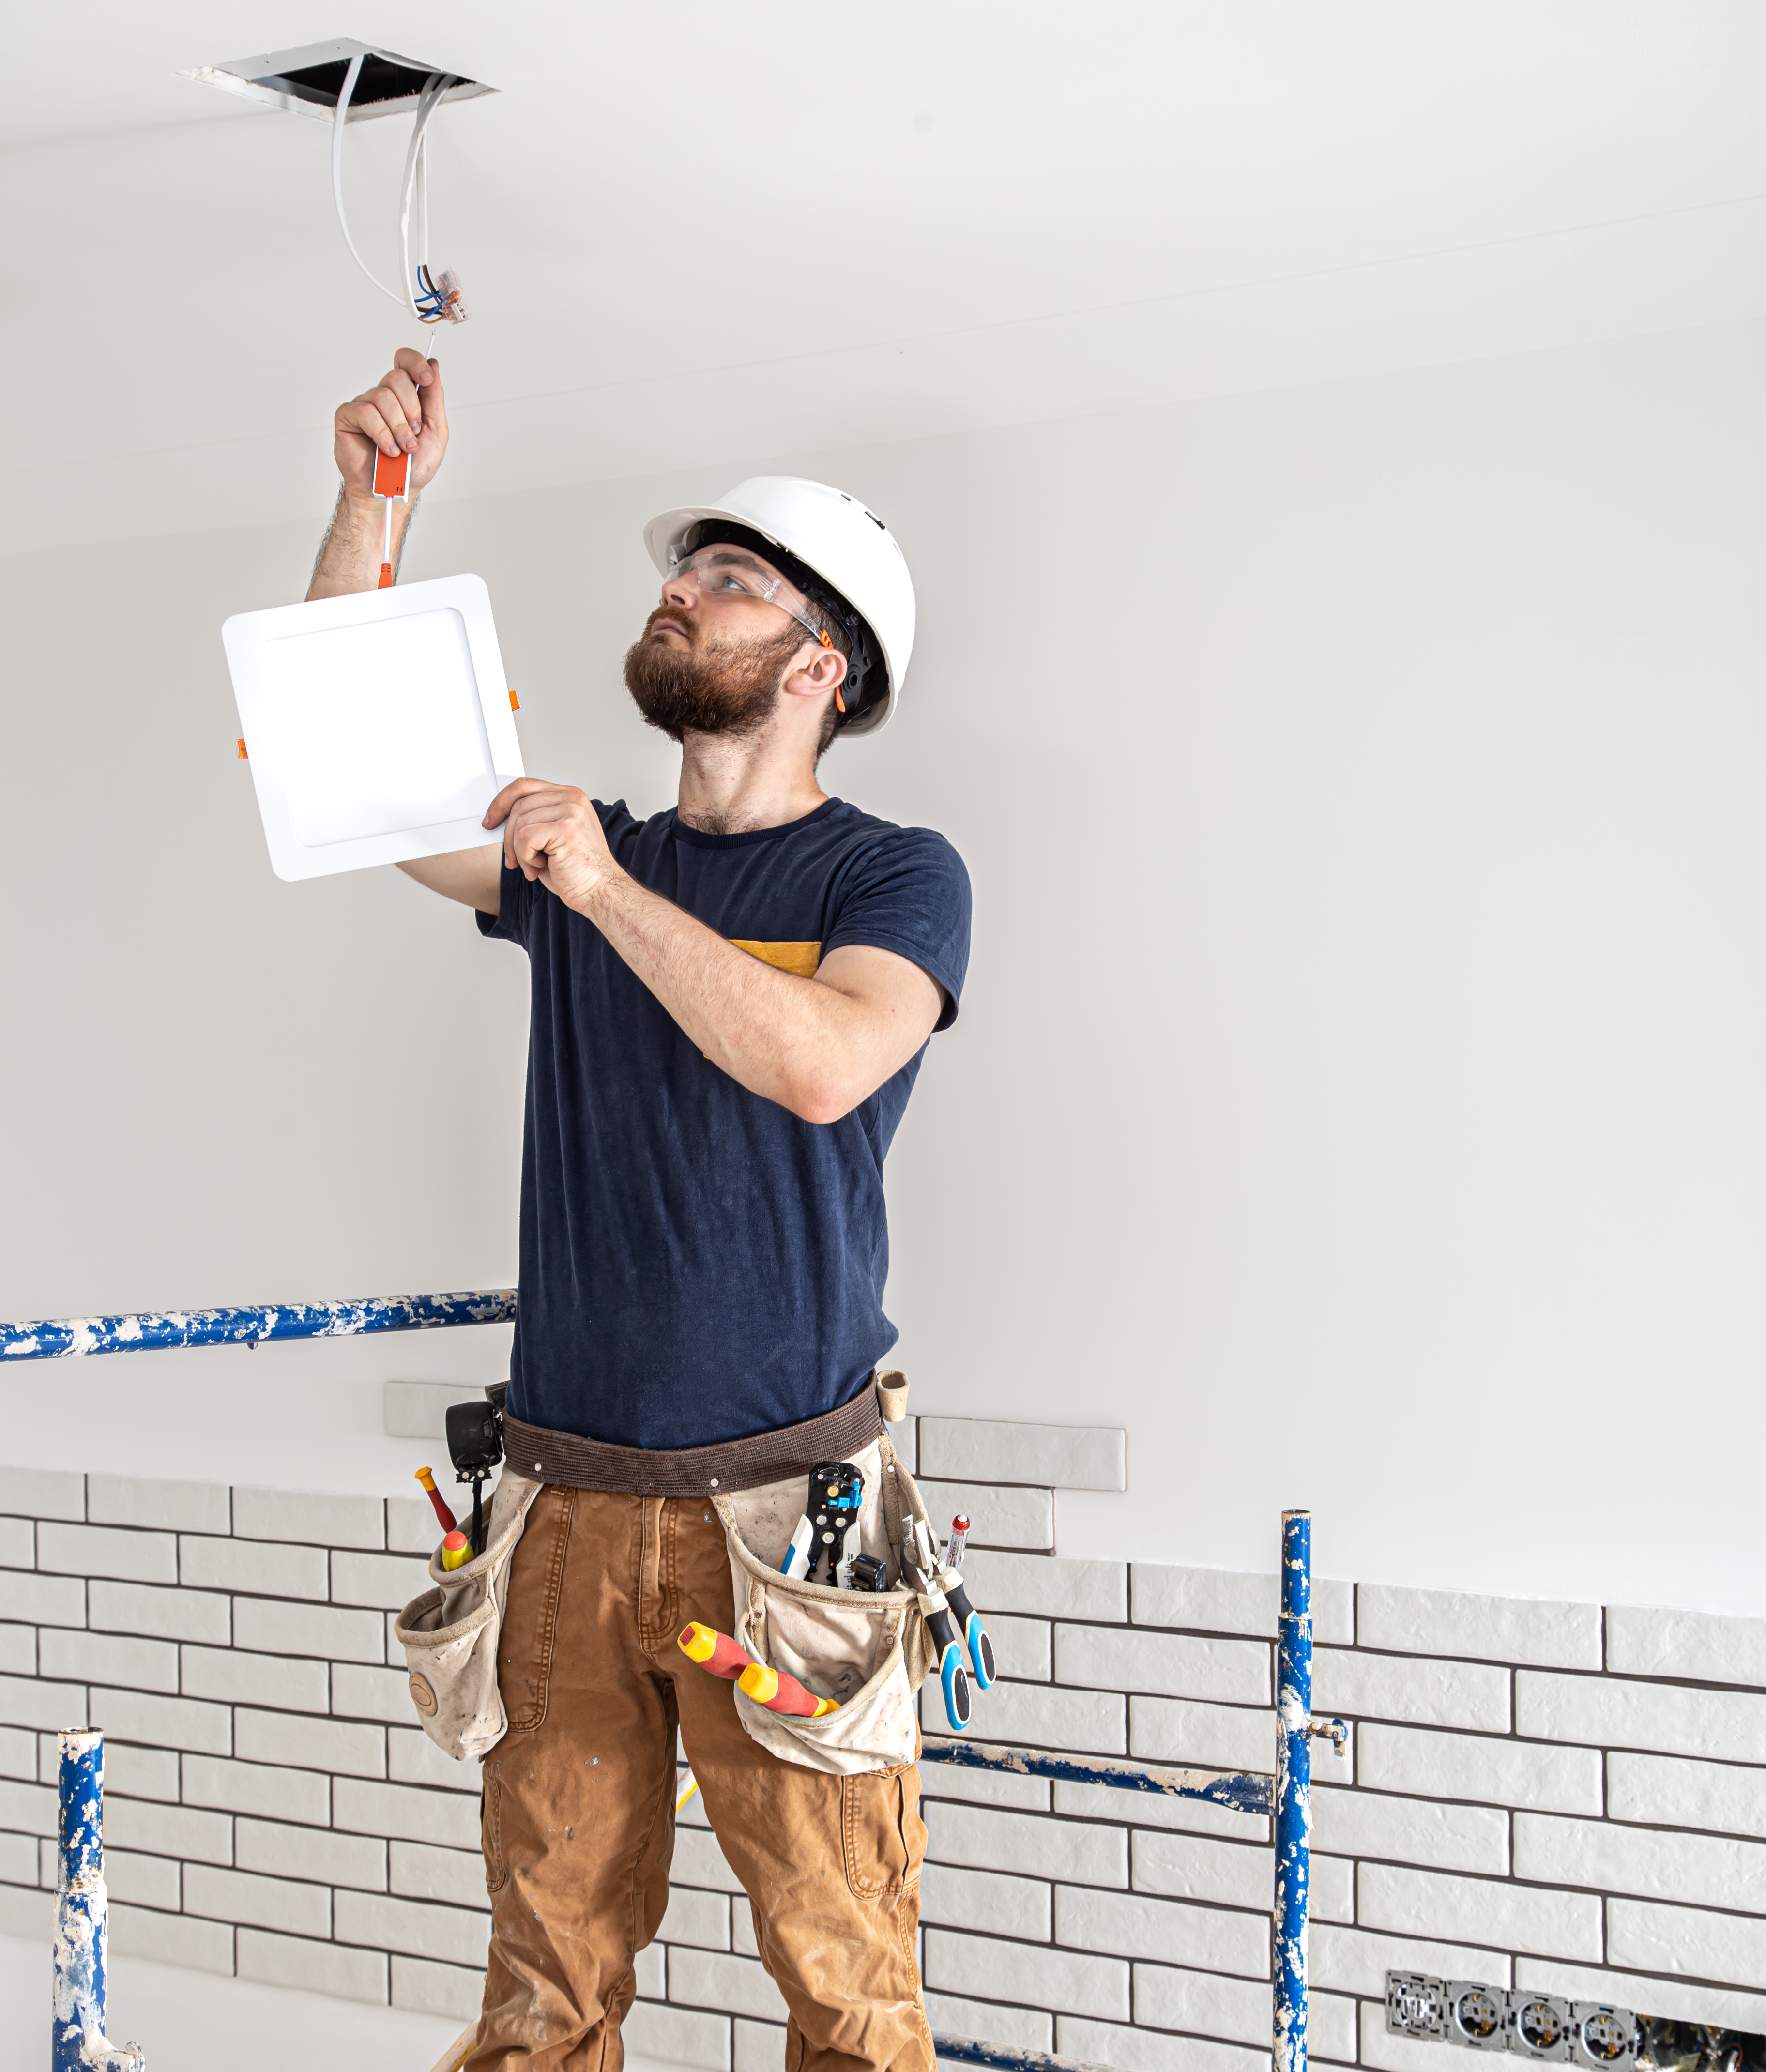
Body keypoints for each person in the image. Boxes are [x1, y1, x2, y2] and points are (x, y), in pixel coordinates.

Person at [309, 348, 971, 2072]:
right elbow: (350, 781)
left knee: (847, 1999)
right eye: (683, 573)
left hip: (790, 1529)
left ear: (818, 664)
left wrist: (600, 890)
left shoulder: (887, 875)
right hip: (567, 1511)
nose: (683, 591)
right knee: (544, 1992)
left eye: (730, 580)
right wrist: (373, 501)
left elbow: (827, 1062)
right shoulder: (585, 855)